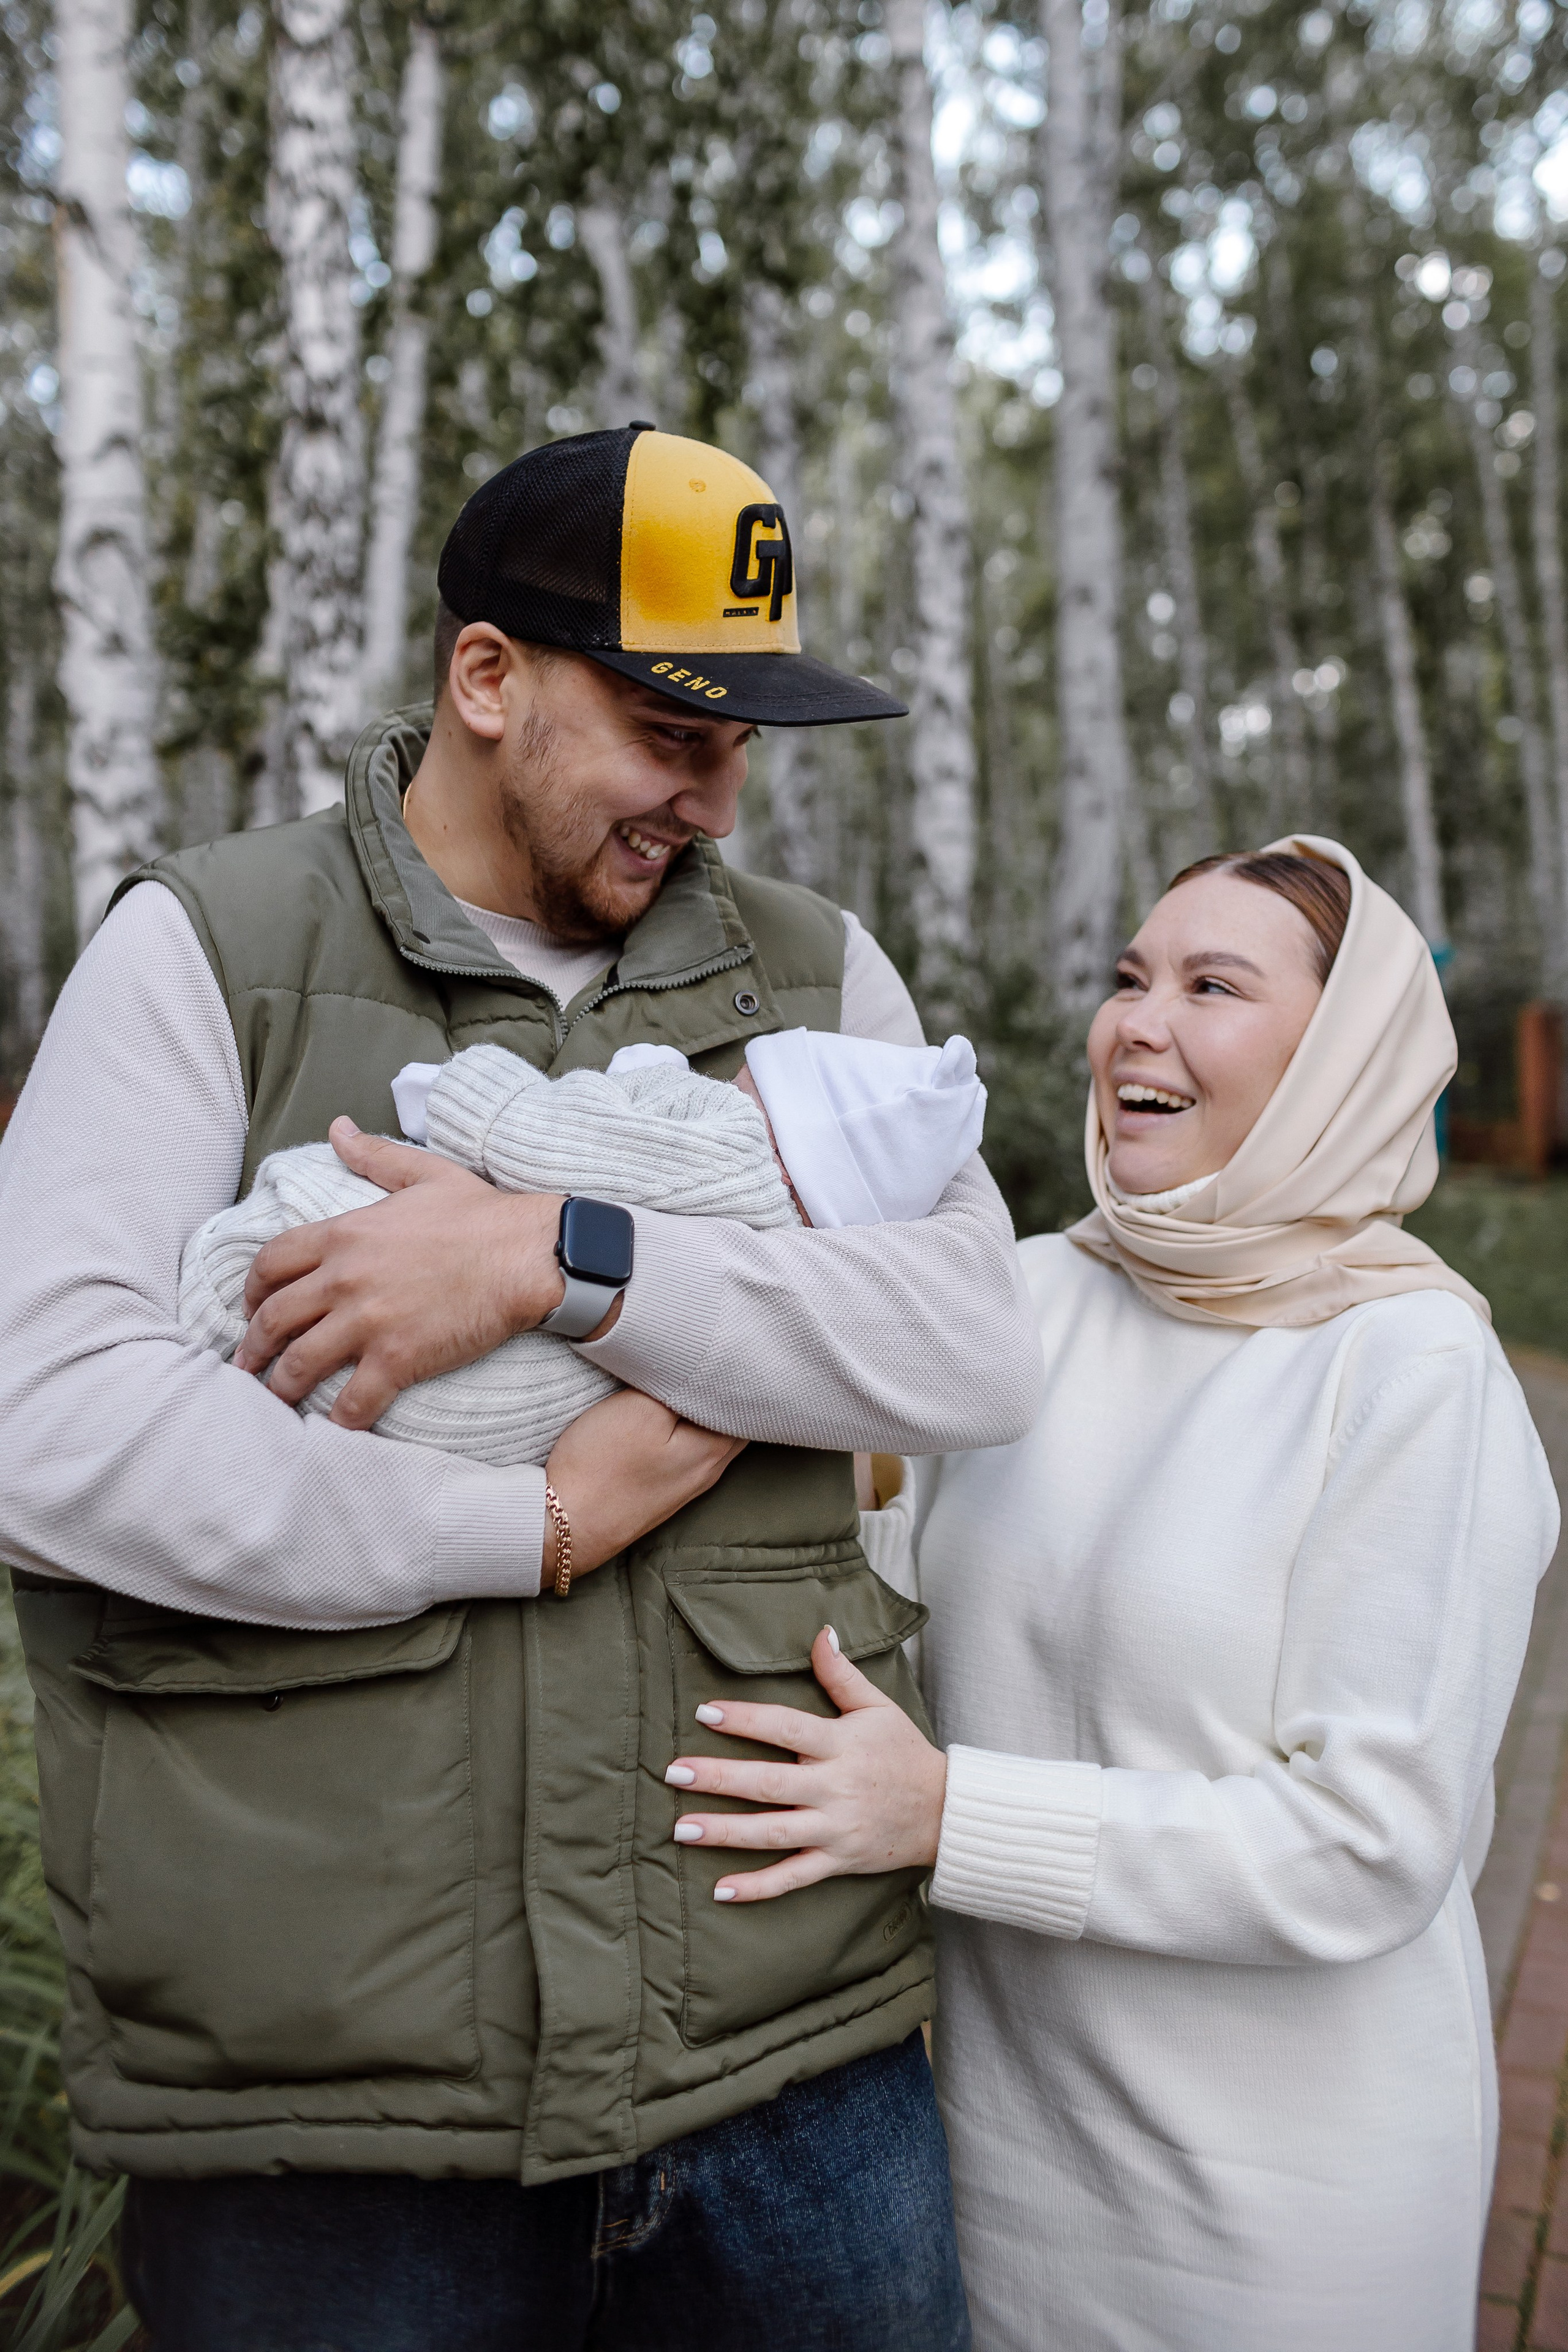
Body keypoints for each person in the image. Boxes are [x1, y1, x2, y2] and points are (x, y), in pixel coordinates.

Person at [0, 423, 1042, 2349]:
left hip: (788, 2070)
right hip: (334, 2115)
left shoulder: (820, 980)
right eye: (671, 731)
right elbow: (49, 1432)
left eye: (742, 744)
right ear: (488, 679)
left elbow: (970, 1339)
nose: (717, 802)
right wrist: (525, 1522)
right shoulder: (208, 950)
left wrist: (563, 1254)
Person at [658, 837, 1558, 2352]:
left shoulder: (1411, 1369)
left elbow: (1366, 1843)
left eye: (1211, 986)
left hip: (1279, 2212)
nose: (1137, 1023)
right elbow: (876, 1594)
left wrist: (948, 1815)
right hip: (1000, 2167)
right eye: (1129, 977)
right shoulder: (1022, 1301)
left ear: (1339, 1056)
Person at [178, 1029, 986, 1468]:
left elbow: (550, 1141)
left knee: (295, 1242)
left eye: (748, 1079)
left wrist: (474, 1097)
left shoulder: (731, 1148)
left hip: (430, 1370)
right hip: (524, 1436)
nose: (726, 1082)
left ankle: (217, 1315)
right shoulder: (800, 1237)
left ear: (782, 1124)